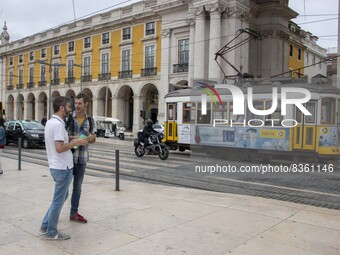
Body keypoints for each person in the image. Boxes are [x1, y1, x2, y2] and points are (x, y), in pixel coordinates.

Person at [40, 96, 88, 240]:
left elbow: (59, 141)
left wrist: (71, 139)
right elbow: (60, 148)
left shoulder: (50, 122)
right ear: (61, 108)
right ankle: (51, 232)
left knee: (61, 197)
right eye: (68, 107)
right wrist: (76, 142)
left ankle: (45, 223)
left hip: (56, 166)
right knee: (58, 200)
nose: (70, 109)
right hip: (62, 168)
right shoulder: (59, 125)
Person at [66, 93, 96, 224]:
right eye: (76, 103)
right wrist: (75, 140)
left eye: (80, 103)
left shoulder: (90, 120)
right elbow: (61, 138)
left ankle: (73, 213)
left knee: (77, 188)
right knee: (63, 188)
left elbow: (94, 138)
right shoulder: (68, 118)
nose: (77, 106)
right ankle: (54, 213)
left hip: (82, 158)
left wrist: (91, 138)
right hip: (68, 158)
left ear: (86, 104)